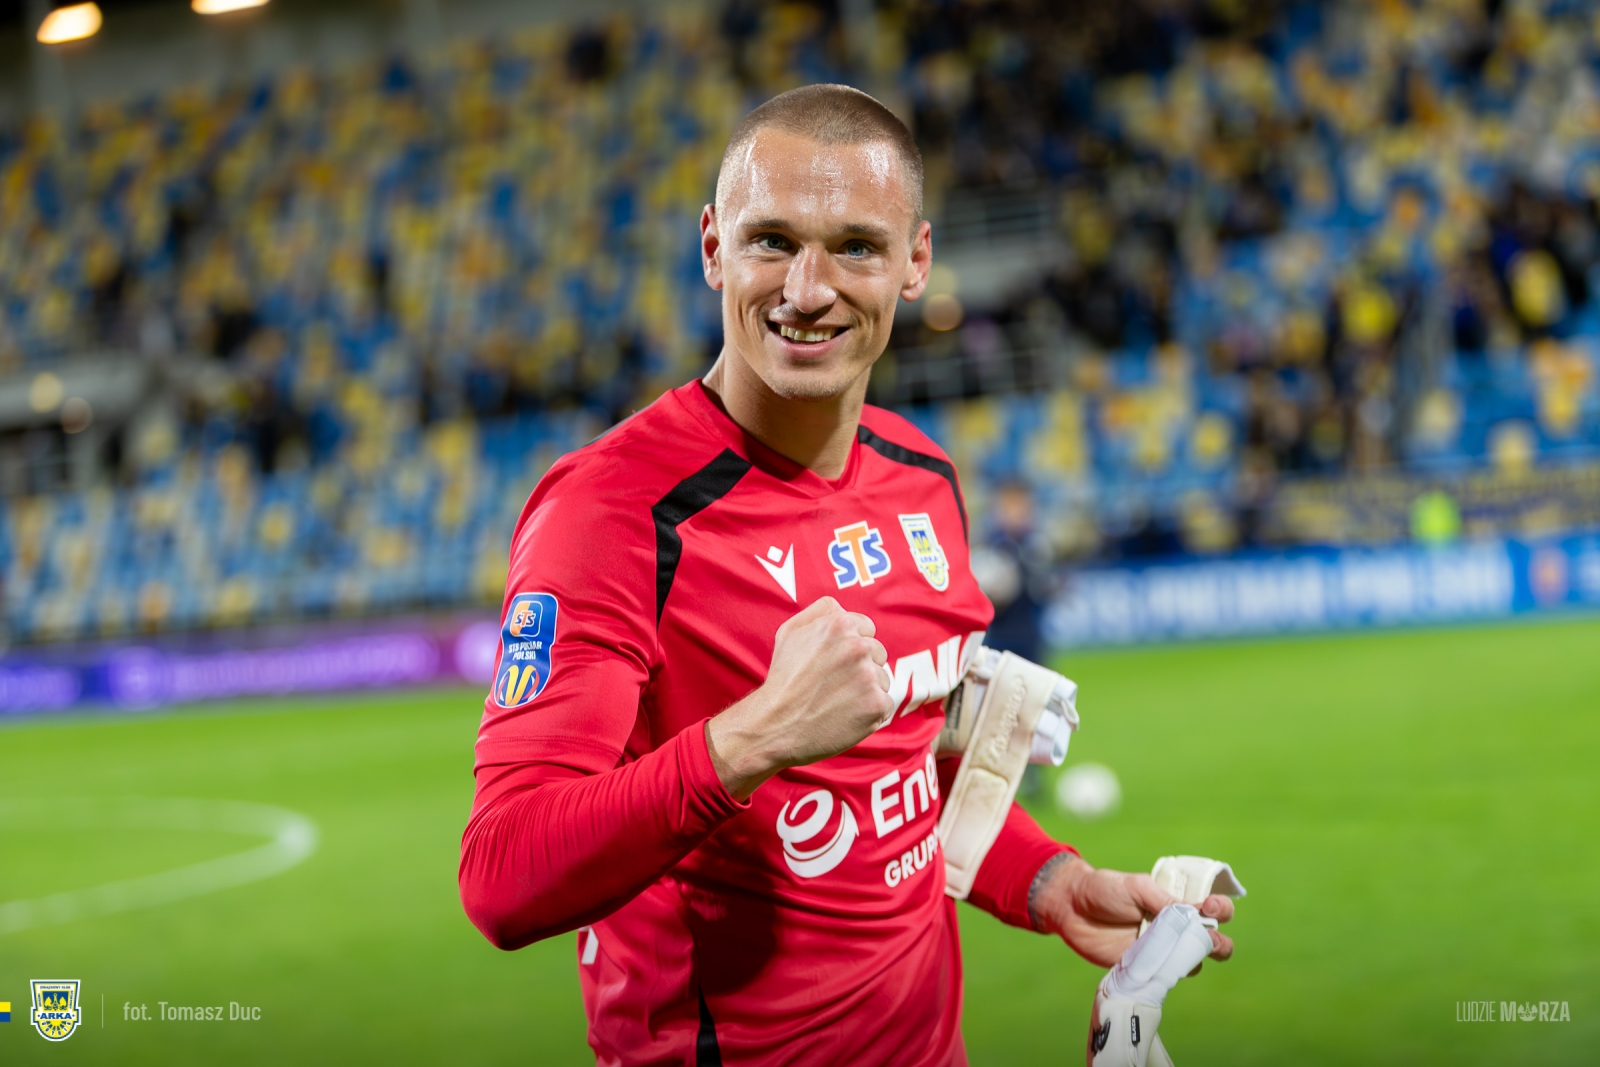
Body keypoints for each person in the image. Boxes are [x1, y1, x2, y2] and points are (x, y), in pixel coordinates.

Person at [458, 83, 1234, 1066]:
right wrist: (753, 738)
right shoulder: (610, 514)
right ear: (713, 247)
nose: (808, 288)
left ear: (916, 261)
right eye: (771, 240)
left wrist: (1049, 881)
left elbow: (906, 775)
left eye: (857, 247)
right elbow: (503, 875)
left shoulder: (924, 478)